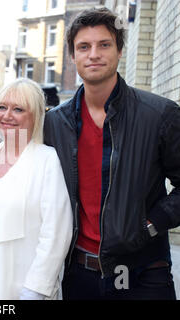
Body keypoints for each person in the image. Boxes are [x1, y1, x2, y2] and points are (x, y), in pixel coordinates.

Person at [44, 7, 180, 300]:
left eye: (104, 44)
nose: (94, 54)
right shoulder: (54, 122)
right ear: (72, 56)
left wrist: (151, 225)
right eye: (84, 47)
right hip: (76, 273)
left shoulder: (160, 114)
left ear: (119, 51)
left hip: (142, 273)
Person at [0, 78, 73, 300]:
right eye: (2, 107)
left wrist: (35, 290)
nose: (7, 116)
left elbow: (56, 233)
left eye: (18, 109)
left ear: (35, 116)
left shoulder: (47, 160)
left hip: (17, 291)